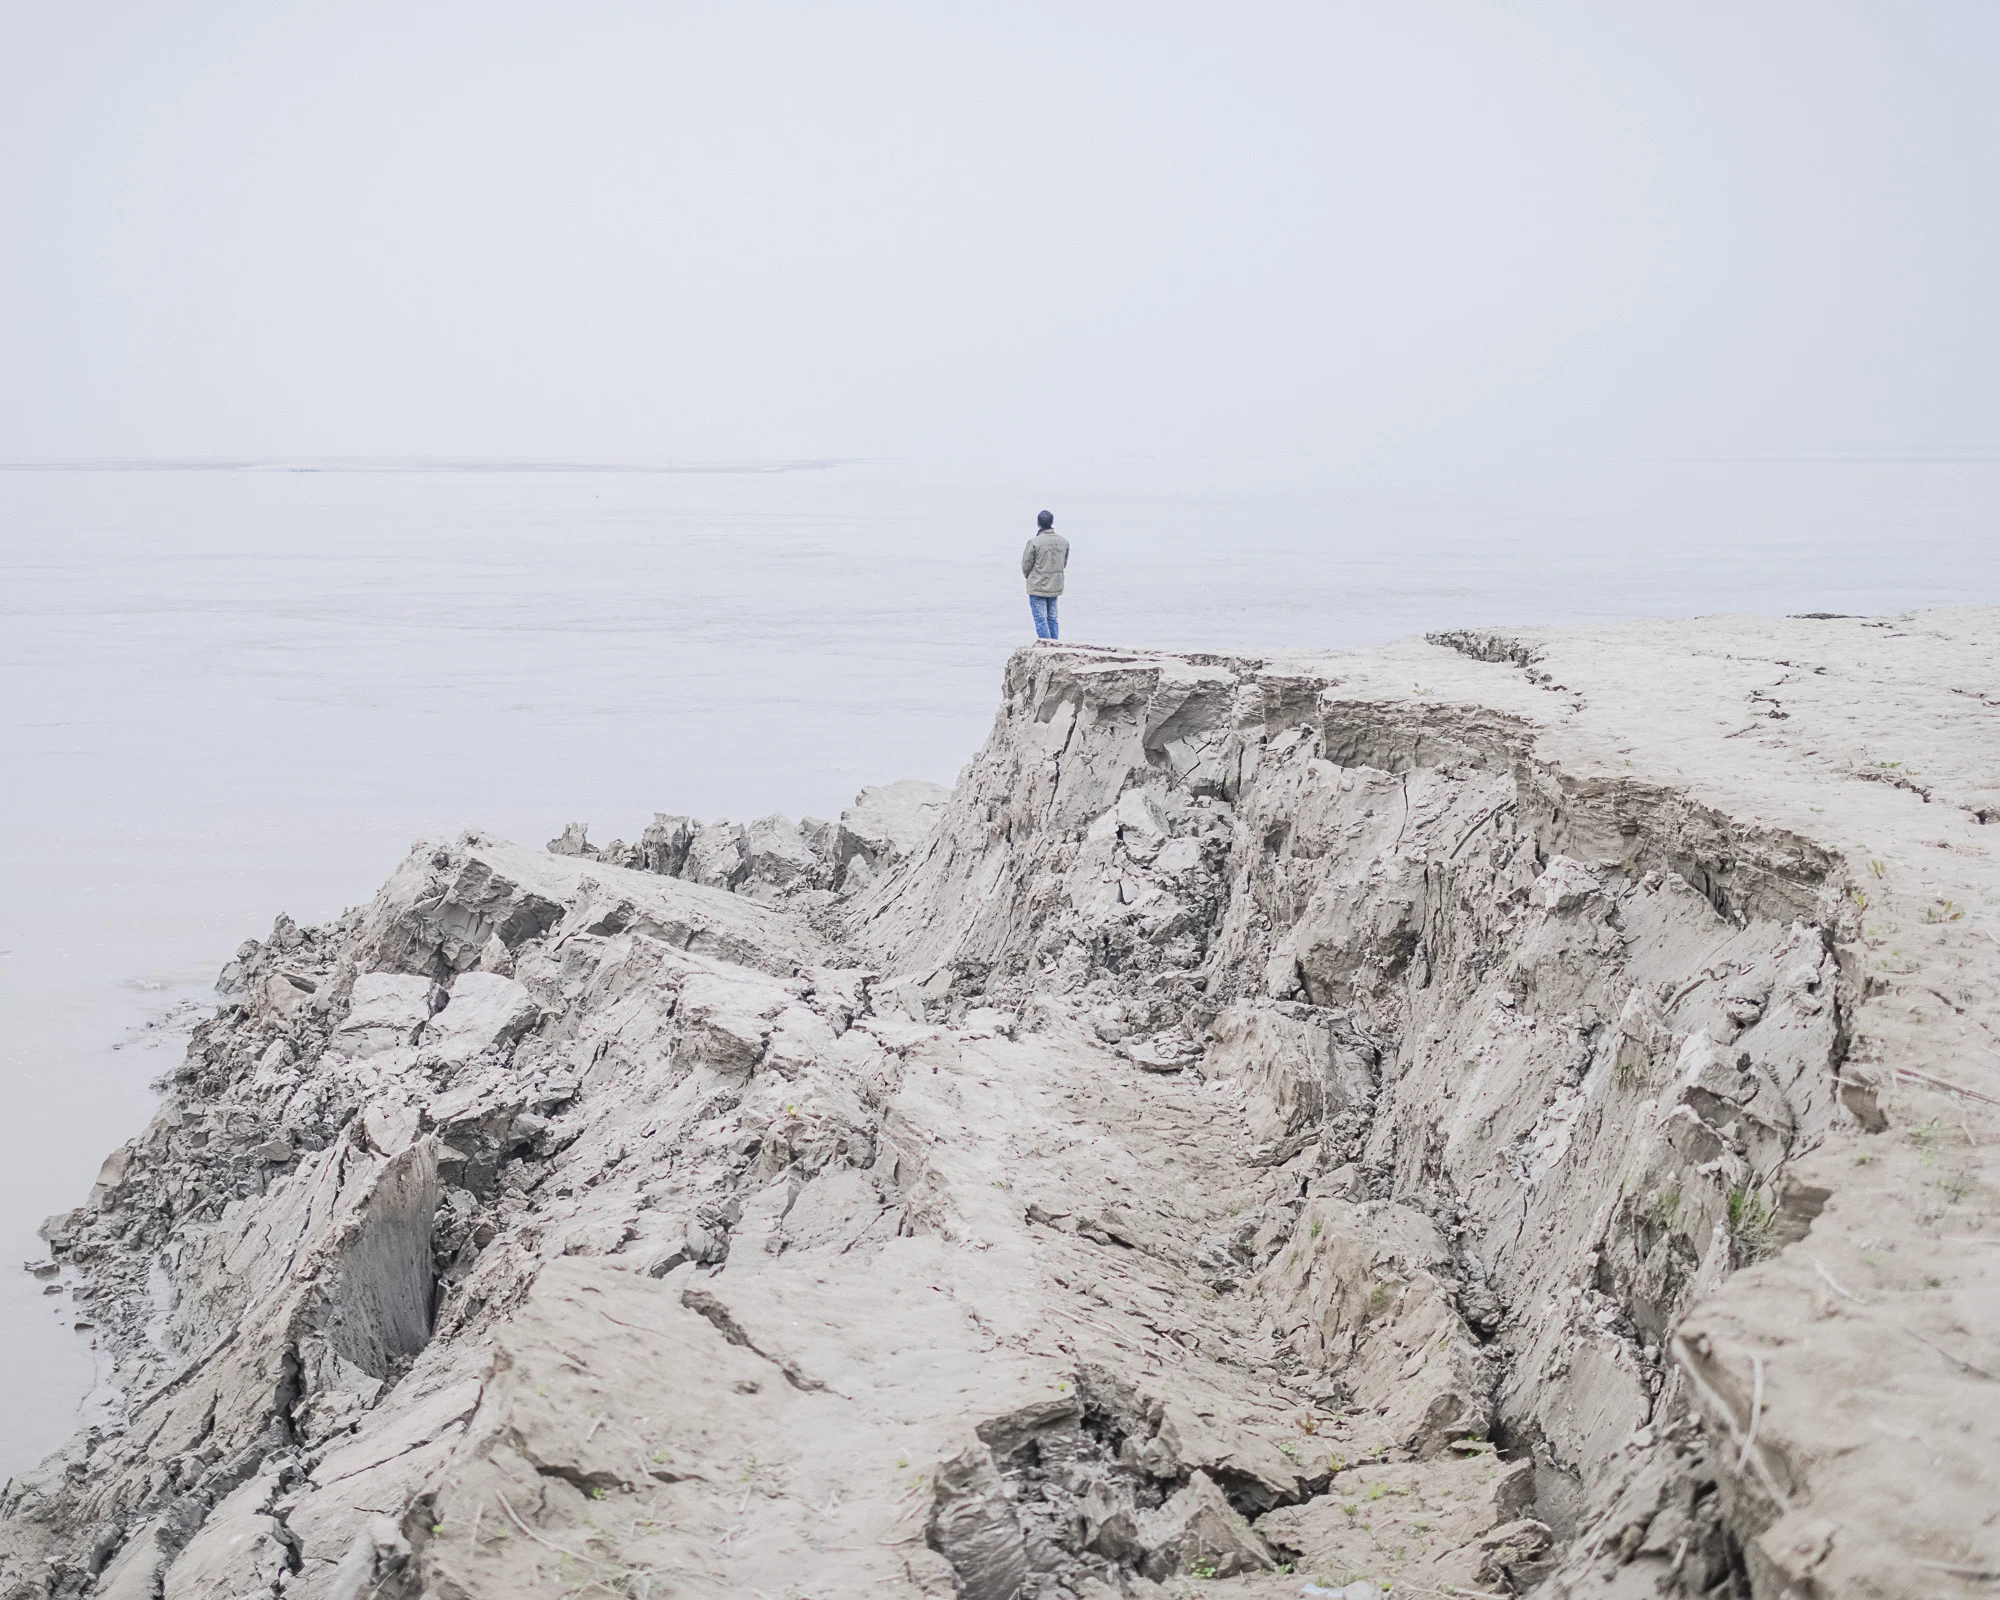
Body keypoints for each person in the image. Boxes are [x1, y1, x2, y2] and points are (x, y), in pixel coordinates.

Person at [1021, 509, 1069, 640]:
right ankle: (1056, 644)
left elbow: (1026, 565)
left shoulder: (1034, 542)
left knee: (1040, 619)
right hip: (1055, 584)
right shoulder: (1063, 541)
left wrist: (1030, 577)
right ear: (1052, 522)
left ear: (1038, 523)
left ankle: (1046, 646)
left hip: (1038, 585)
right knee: (1052, 618)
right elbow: (1063, 563)